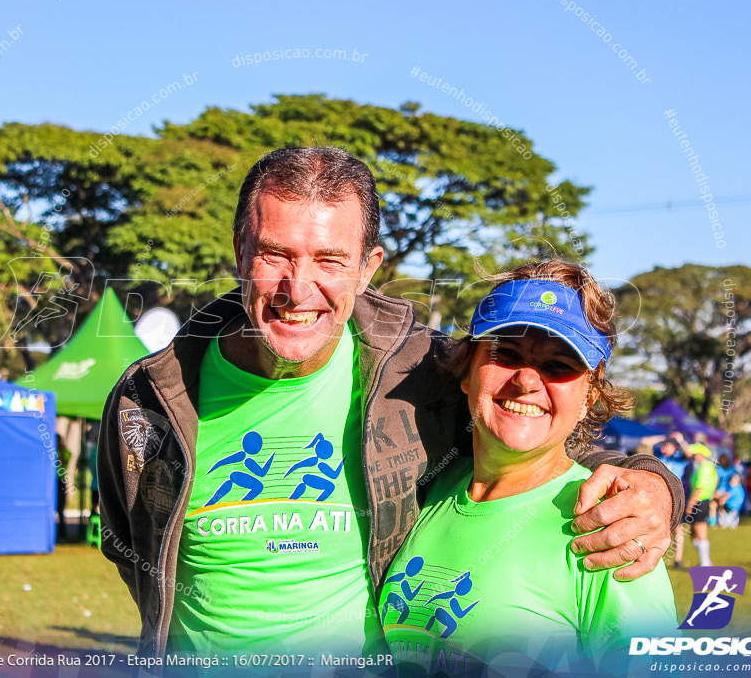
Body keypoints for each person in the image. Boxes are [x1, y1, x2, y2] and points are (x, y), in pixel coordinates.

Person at [97, 146, 684, 658]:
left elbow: (538, 429)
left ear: (367, 268)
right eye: (276, 254)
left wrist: (659, 486)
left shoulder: (413, 375)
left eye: (329, 260)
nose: (298, 289)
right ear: (239, 249)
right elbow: (134, 548)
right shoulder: (148, 396)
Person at [379, 261, 676, 675]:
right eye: (507, 354)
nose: (526, 381)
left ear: (590, 394)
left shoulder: (611, 525)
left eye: (558, 365)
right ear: (467, 370)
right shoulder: (430, 489)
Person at [656, 435, 691, 569]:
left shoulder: (680, 459)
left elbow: (689, 454)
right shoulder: (660, 458)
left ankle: (678, 559)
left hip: (676, 498)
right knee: (660, 528)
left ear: (674, 448)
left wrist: (681, 440)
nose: (664, 448)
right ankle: (659, 558)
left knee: (678, 530)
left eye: (667, 446)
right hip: (661, 498)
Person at [687, 444, 719, 566]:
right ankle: (704, 561)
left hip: (699, 502)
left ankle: (705, 562)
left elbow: (699, 488)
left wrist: (690, 504)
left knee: (700, 532)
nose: (694, 456)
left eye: (695, 454)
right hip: (701, 501)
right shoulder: (707, 467)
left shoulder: (705, 468)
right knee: (695, 532)